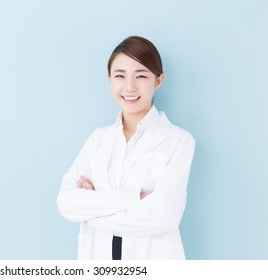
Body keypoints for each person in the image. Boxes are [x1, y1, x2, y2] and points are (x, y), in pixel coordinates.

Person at [57, 36, 195, 260]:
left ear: (158, 81)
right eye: (120, 75)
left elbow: (164, 215)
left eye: (141, 76)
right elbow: (67, 203)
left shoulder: (179, 141)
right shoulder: (97, 140)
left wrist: (93, 210)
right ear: (109, 79)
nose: (129, 87)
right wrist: (134, 198)